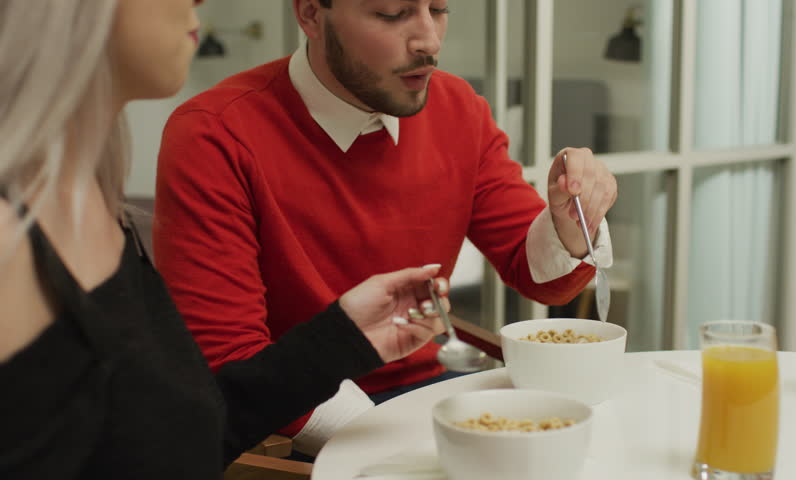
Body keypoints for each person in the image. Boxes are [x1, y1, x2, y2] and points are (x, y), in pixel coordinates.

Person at [0, 0, 451, 477]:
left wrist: (339, 341)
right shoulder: (12, 248)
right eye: (389, 14)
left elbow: (179, 438)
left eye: (439, 9)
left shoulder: (92, 201)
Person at [154, 0, 618, 457]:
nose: (429, 41)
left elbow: (538, 274)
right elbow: (229, 357)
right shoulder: (215, 133)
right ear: (311, 14)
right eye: (392, 14)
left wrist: (570, 221)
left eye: (438, 9)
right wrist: (413, 444)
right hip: (298, 417)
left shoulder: (458, 107)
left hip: (434, 387)